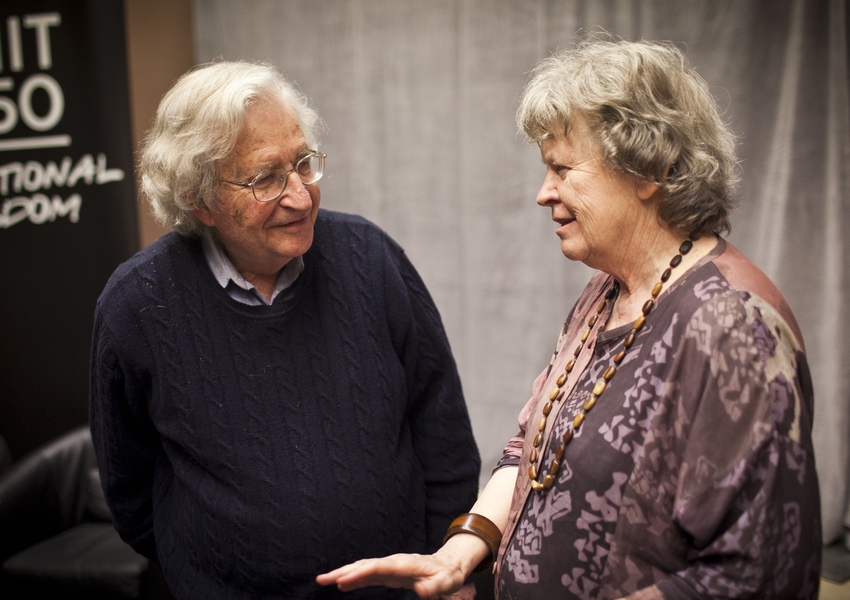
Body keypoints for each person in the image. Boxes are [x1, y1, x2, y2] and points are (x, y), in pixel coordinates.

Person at [317, 38, 822, 599]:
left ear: (648, 167)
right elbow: (531, 451)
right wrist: (459, 555)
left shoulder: (731, 325)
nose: (542, 193)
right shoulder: (606, 290)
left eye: (561, 168)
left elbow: (754, 572)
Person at [89, 60, 481, 599]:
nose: (300, 197)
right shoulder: (136, 306)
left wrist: (444, 565)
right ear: (199, 200)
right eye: (266, 178)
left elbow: (444, 436)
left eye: (302, 164)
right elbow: (129, 489)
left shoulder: (370, 258)